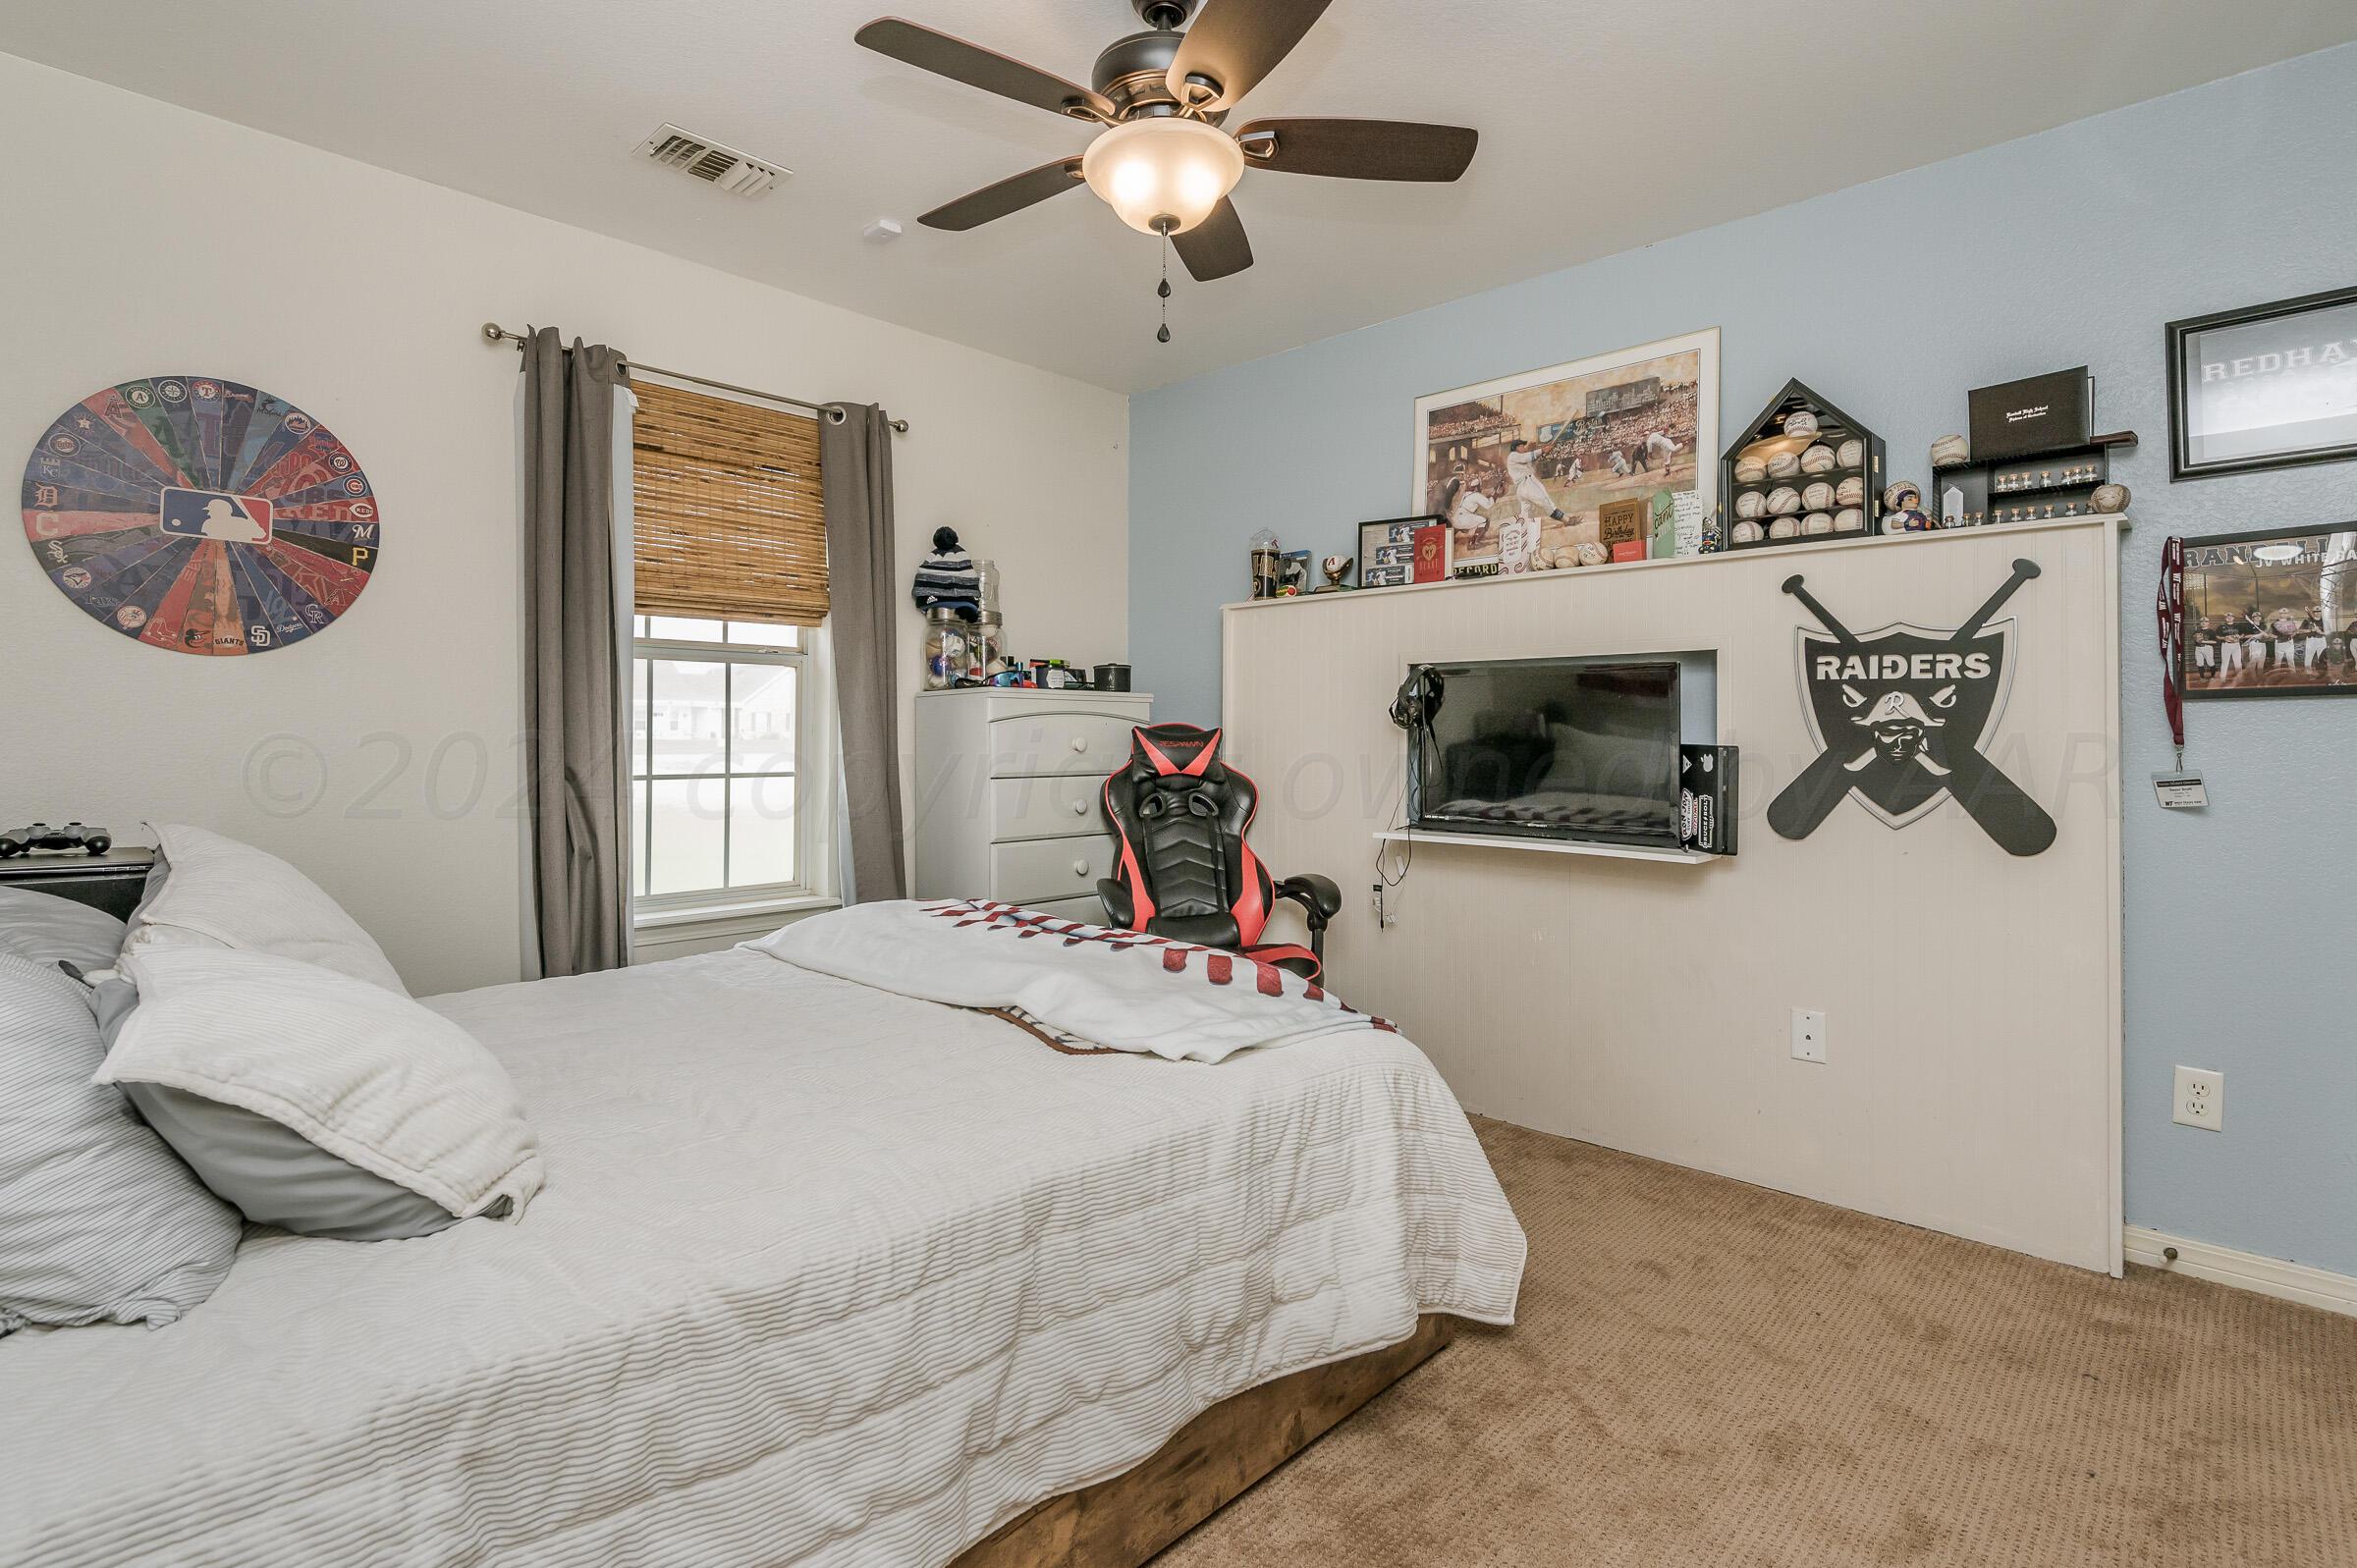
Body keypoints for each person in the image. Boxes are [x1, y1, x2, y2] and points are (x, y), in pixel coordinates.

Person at [1503, 439, 1569, 524]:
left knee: (1526, 513)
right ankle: (1567, 520)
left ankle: (1523, 529)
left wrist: (1542, 454)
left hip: (1521, 488)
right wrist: (1542, 450)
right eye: (1521, 446)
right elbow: (1527, 457)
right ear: (1516, 447)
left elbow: (1531, 466)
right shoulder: (1513, 455)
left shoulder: (1518, 459)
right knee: (1546, 502)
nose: (1524, 448)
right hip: (1527, 483)